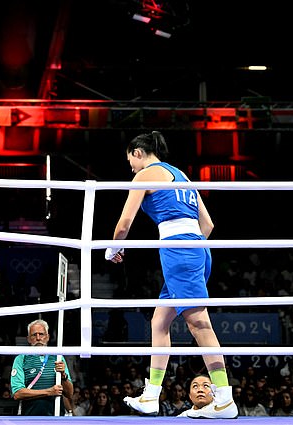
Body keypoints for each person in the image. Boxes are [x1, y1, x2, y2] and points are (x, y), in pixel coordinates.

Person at [105, 131, 238, 419]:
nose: (132, 169)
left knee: (199, 322)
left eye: (131, 162)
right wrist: (189, 250)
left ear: (138, 153)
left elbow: (125, 222)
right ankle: (151, 396)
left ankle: (225, 399)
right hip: (196, 250)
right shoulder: (183, 177)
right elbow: (208, 224)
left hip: (179, 252)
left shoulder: (145, 175)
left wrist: (112, 248)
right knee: (159, 321)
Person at [10, 319, 74, 416]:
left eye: (41, 334)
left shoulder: (58, 357)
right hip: (29, 418)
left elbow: (69, 394)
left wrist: (63, 375)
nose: (38, 338)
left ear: (47, 337)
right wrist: (49, 392)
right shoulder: (21, 358)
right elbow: (18, 393)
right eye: (34, 335)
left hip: (55, 417)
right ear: (28, 339)